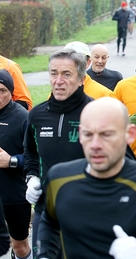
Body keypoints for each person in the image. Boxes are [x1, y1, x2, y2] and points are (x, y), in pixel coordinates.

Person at [36, 97, 136, 259]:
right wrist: (44, 255)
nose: (95, 144)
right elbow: (49, 223)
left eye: (106, 134)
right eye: (88, 134)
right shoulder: (59, 178)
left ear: (129, 134)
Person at [24, 49, 94, 258]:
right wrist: (32, 178)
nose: (58, 81)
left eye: (66, 74)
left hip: (88, 210)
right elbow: (30, 153)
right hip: (47, 209)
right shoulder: (37, 115)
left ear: (81, 79)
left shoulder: (97, 112)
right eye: (53, 73)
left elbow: (121, 161)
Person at [0, 69, 32, 259]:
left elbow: (36, 157)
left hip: (15, 195)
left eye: (2, 90)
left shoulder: (23, 118)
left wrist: (11, 161)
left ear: (11, 92)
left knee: (19, 247)